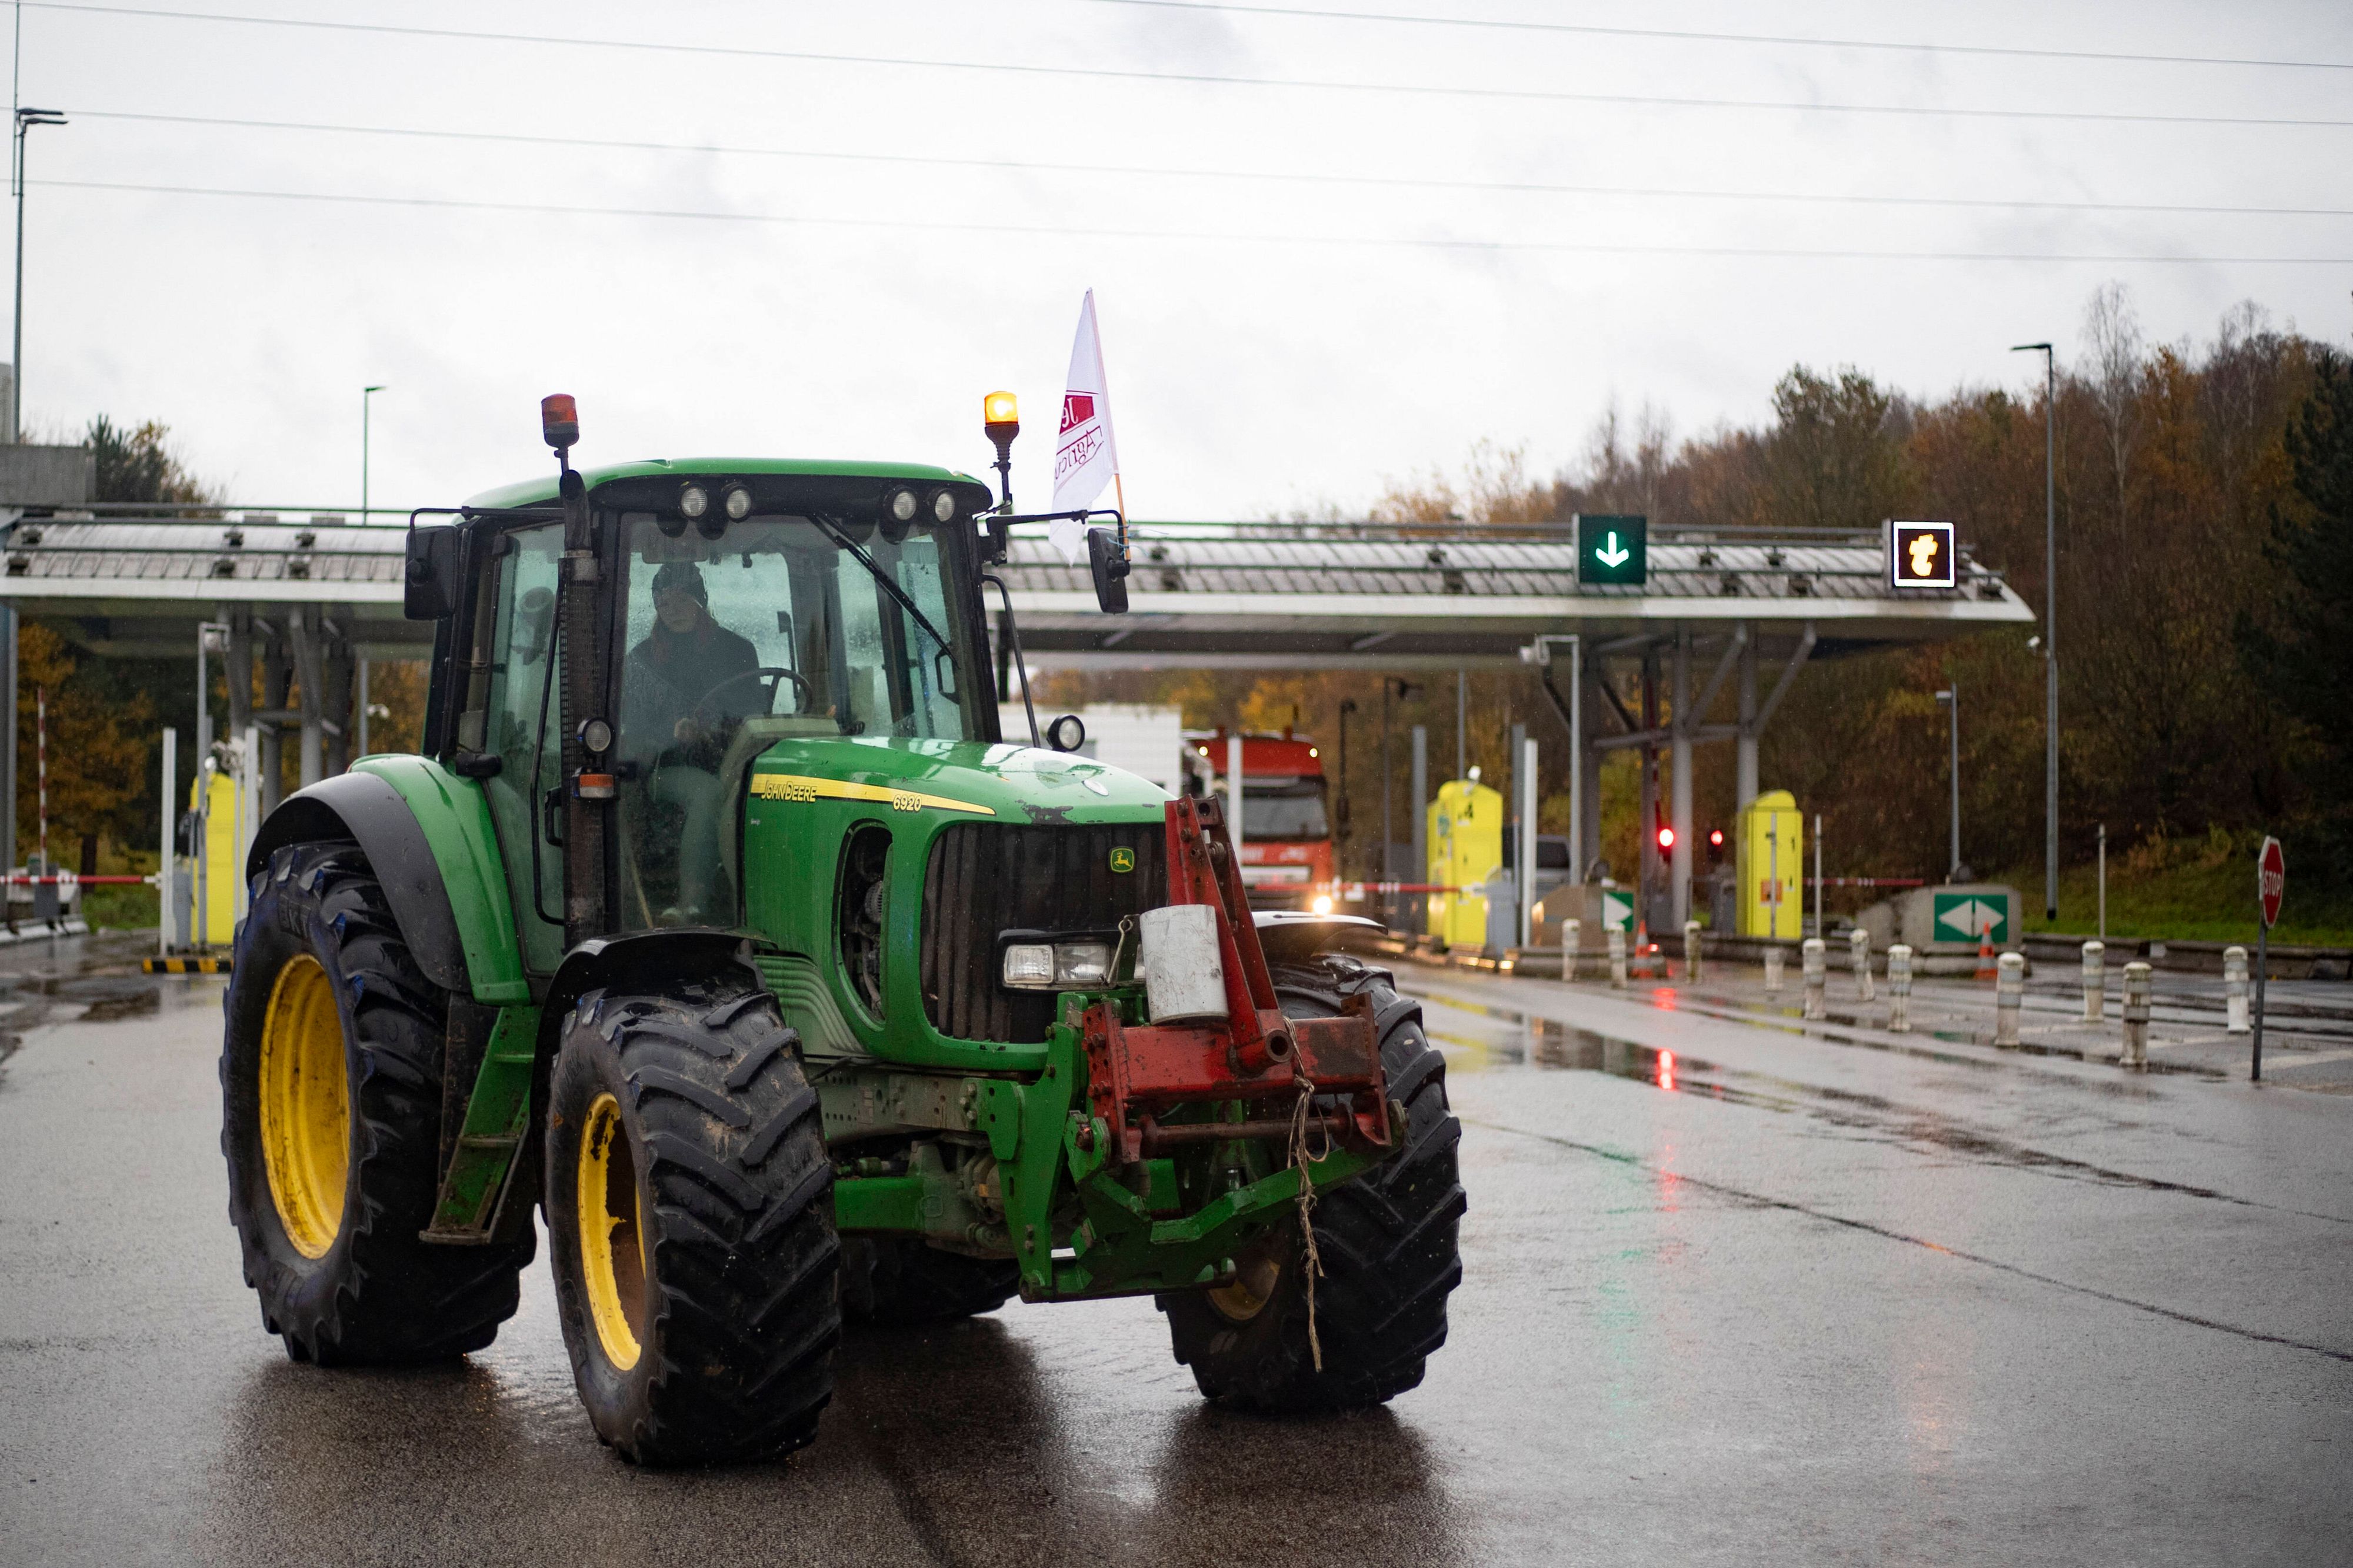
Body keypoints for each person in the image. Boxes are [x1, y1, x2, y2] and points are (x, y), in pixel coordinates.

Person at [621, 559, 762, 920]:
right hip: (663, 768)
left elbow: (753, 714)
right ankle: (691, 904)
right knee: (708, 793)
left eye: (682, 600)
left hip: (733, 760)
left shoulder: (738, 651)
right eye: (664, 603)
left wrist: (715, 731)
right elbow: (633, 730)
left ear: (701, 601)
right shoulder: (641, 661)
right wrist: (672, 734)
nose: (673, 610)